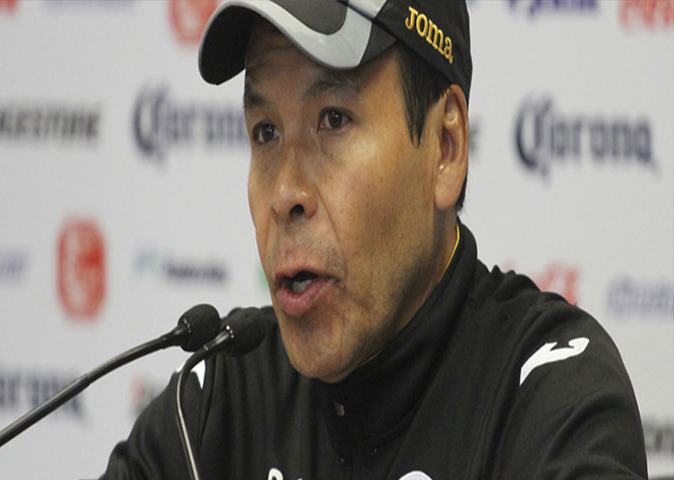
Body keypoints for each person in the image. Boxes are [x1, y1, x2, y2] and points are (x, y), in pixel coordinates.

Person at [101, 1, 648, 478]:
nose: (285, 194)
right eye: (266, 131)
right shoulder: (217, 404)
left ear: (446, 147)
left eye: (333, 120)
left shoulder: (546, 395)